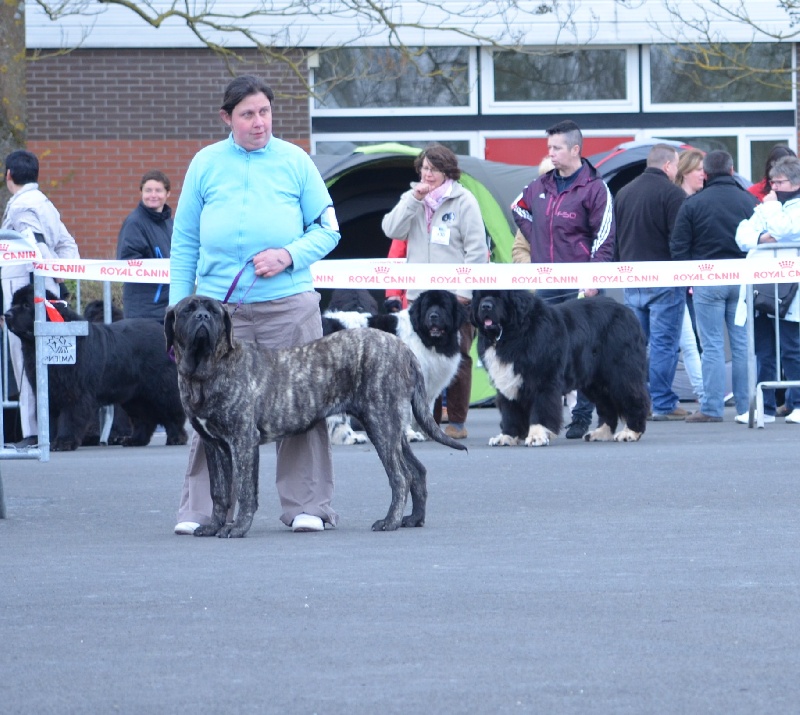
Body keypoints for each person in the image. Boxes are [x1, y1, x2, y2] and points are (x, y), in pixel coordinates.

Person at [170, 75, 341, 535]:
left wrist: (289, 255)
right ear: (228, 118)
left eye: (264, 112)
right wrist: (176, 314)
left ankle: (308, 505)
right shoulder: (205, 163)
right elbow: (185, 241)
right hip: (217, 316)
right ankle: (202, 510)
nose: (258, 122)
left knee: (303, 404)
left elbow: (328, 229)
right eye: (247, 114)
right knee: (208, 410)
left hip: (288, 307)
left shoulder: (296, 161)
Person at [511, 119, 616, 439]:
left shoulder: (595, 188)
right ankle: (540, 421)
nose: (551, 154)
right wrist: (540, 239)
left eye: (556, 148)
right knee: (541, 353)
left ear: (575, 150)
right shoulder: (539, 185)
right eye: (549, 148)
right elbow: (518, 208)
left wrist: (593, 278)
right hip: (547, 280)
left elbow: (605, 236)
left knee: (587, 352)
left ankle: (585, 416)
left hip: (582, 281)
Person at [381, 143, 488, 440]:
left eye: (434, 169)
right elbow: (391, 229)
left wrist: (465, 289)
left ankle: (456, 419)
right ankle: (423, 418)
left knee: (458, 356)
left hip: (454, 296)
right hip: (420, 297)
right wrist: (413, 200)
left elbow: (477, 250)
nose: (427, 174)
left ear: (447, 172)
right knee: (417, 359)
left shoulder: (464, 201)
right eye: (424, 168)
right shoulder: (413, 198)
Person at [670, 150, 758, 422]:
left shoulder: (694, 204)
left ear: (706, 174)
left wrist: (690, 278)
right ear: (732, 171)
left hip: (707, 280)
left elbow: (679, 247)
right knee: (742, 345)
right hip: (742, 280)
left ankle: (711, 408)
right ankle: (745, 408)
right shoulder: (750, 201)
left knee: (712, 345)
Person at [1, 149, 81, 449]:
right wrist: (61, 276)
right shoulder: (45, 204)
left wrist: (49, 272)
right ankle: (49, 428)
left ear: (9, 175)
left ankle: (34, 429)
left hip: (25, 291)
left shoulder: (21, 207)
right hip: (44, 292)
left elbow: (35, 243)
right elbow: (66, 242)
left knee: (27, 363)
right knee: (51, 363)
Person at [615, 144, 690, 420]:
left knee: (634, 345)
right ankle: (663, 403)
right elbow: (679, 240)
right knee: (664, 344)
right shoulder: (673, 194)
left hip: (631, 279)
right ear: (669, 165)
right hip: (665, 279)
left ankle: (636, 401)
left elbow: (616, 238)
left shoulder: (623, 192)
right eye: (677, 165)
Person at [735, 154, 800, 424]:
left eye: (780, 182)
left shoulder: (780, 207)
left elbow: (787, 229)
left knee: (792, 349)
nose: (774, 188)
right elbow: (742, 235)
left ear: (795, 182)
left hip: (791, 290)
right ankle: (766, 408)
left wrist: (771, 215)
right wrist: (763, 237)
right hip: (761, 287)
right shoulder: (767, 205)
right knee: (764, 350)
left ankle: (797, 404)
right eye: (771, 182)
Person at [116, 170, 173, 321]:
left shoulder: (169, 223)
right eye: (148, 190)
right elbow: (129, 263)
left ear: (168, 193)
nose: (153, 195)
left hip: (167, 308)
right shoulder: (135, 223)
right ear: (141, 192)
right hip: (144, 312)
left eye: (158, 190)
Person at [673, 149, 707, 404]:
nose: (703, 174)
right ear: (685, 172)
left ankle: (704, 389)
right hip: (681, 283)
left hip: (695, 282)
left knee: (693, 340)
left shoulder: (699, 200)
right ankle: (703, 391)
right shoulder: (679, 202)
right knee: (688, 341)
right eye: (699, 169)